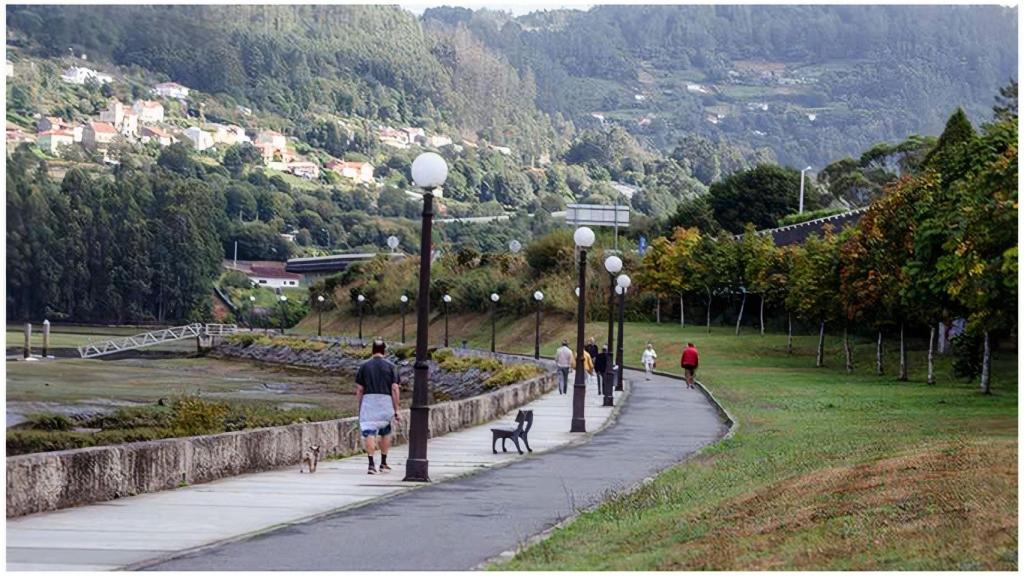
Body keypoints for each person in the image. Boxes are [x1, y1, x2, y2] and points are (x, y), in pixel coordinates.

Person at [355, 339, 401, 475]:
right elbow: (394, 388)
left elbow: (359, 389)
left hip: (369, 401)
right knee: (385, 431)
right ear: (384, 351)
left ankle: (371, 464)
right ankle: (383, 462)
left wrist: (360, 406)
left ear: (372, 350)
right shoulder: (391, 367)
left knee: (369, 431)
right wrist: (396, 408)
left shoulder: (364, 366)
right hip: (385, 400)